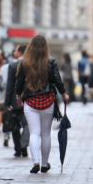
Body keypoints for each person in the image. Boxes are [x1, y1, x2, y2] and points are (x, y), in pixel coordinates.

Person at [15, 35, 69, 173]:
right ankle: (45, 164)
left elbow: (19, 81)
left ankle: (36, 162)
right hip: (48, 101)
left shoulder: (24, 62)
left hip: (30, 101)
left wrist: (19, 96)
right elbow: (57, 80)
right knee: (45, 133)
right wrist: (63, 94)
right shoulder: (51, 61)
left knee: (34, 133)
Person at [5, 45, 30, 158]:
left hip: (15, 100)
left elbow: (10, 86)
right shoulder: (31, 65)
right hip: (29, 100)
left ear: (20, 52)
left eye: (15, 50)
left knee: (15, 125)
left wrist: (7, 102)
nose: (14, 52)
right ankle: (24, 145)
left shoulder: (13, 65)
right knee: (26, 124)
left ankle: (18, 149)